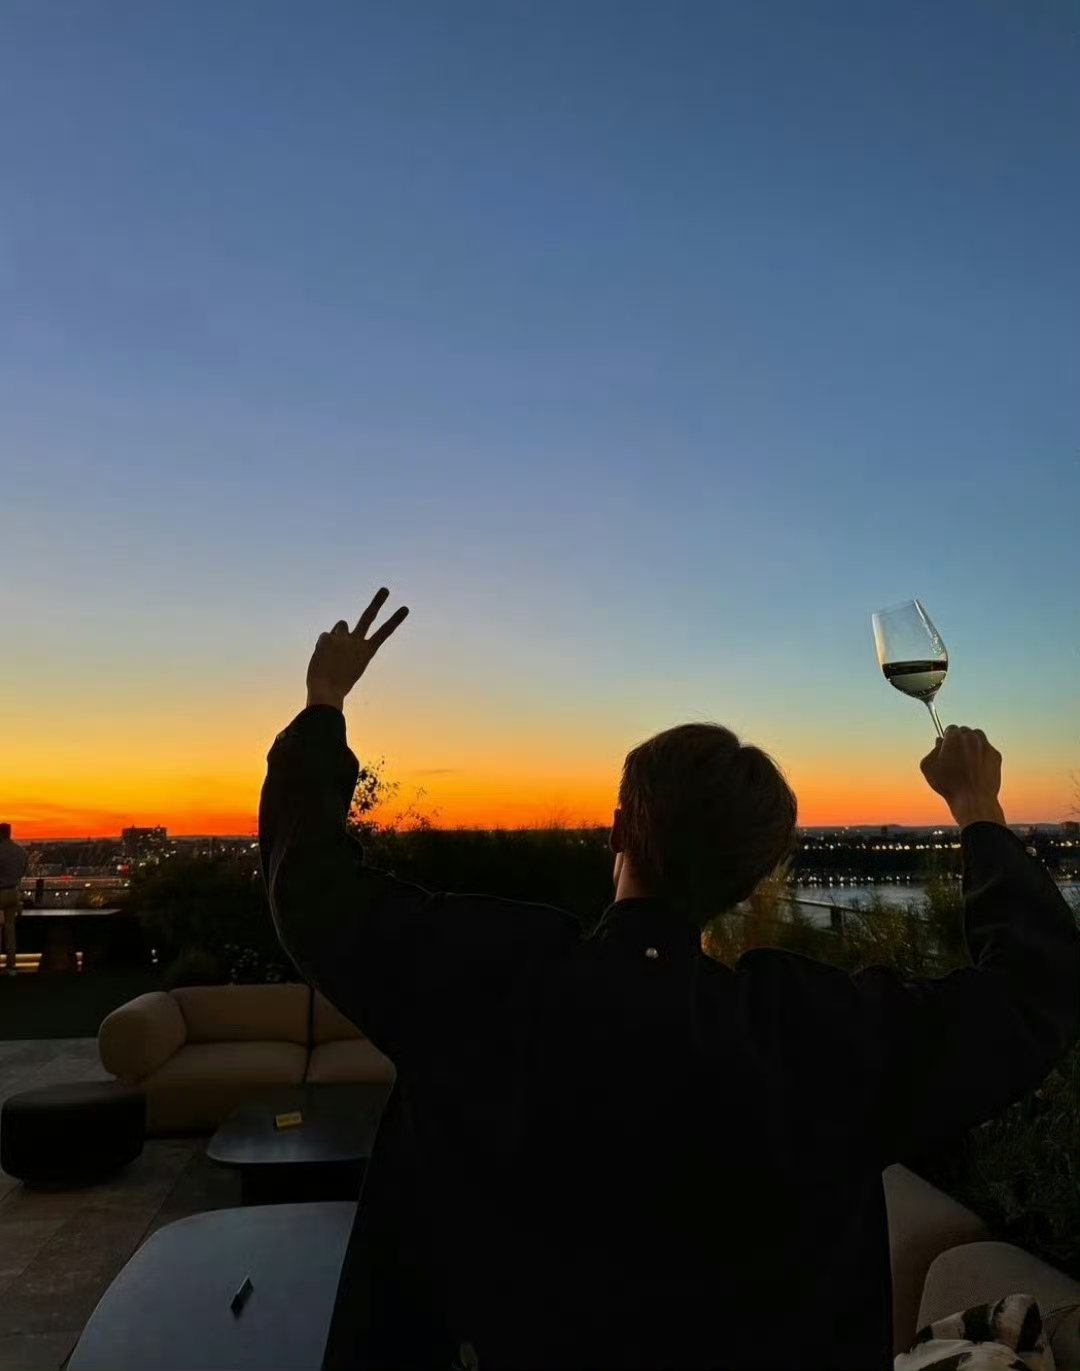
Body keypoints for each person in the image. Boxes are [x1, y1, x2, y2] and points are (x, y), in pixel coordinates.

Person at [259, 589, 1080, 1371]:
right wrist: (977, 807)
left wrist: (325, 701)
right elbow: (1034, 992)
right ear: (753, 876)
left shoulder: (488, 980)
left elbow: (310, 889)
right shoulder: (812, 1038)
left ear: (619, 829)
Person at [0, 823, 29, 976]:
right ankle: (11, 965)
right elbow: (23, 871)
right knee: (10, 929)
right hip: (13, 892)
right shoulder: (20, 851)